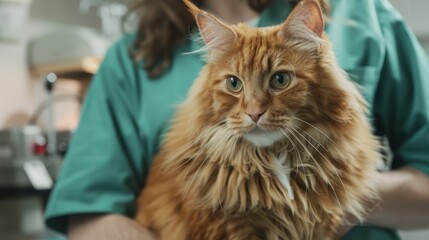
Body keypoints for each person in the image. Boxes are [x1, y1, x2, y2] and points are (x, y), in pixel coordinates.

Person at [45, 0, 429, 239]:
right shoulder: (129, 58)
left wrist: (338, 196)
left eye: (280, 80)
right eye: (233, 85)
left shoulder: (365, 15)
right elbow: (87, 214)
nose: (255, 108)